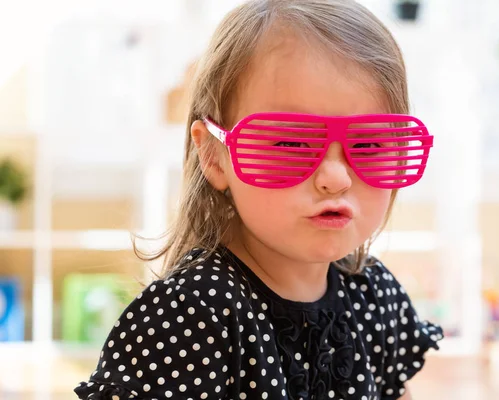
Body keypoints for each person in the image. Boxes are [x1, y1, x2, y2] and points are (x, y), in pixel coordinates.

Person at [74, 0, 444, 398]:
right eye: (289, 141)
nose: (335, 178)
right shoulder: (191, 314)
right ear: (214, 156)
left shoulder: (374, 294)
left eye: (370, 142)